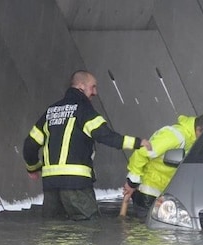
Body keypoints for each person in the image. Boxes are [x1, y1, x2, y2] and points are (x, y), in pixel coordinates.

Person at [23, 70, 150, 220]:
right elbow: (106, 136)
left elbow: (30, 144)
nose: (95, 92)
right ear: (81, 86)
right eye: (93, 87)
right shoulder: (84, 110)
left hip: (51, 185)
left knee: (54, 232)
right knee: (89, 230)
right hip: (77, 185)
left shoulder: (51, 112)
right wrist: (138, 143)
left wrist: (33, 167)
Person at [124, 113, 203, 217]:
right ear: (199, 129)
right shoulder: (175, 137)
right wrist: (132, 182)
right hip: (149, 193)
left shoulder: (191, 139)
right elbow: (141, 153)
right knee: (148, 231)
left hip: (163, 192)